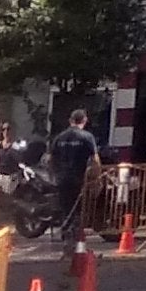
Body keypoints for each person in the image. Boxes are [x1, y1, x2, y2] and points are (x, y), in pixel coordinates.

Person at [45, 105, 102, 245]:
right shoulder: (87, 137)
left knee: (66, 207)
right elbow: (95, 160)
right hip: (79, 178)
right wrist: (97, 178)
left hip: (62, 179)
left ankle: (66, 236)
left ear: (71, 120)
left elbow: (50, 160)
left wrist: (54, 176)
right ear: (85, 120)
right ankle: (76, 238)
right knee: (78, 209)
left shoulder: (59, 137)